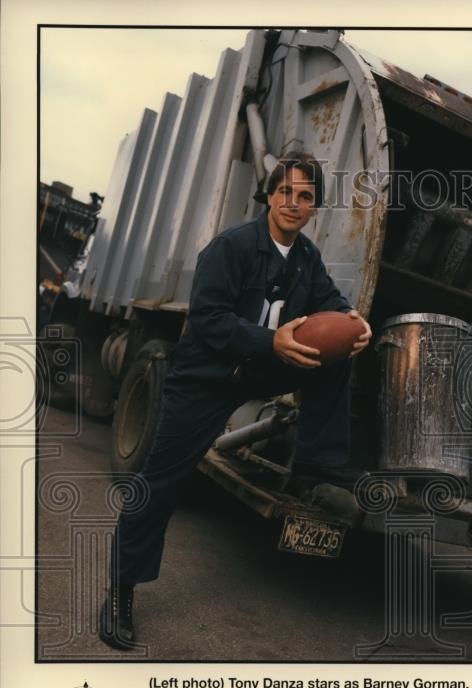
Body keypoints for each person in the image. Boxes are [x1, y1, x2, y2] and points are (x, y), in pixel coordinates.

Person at [100, 152, 372, 649]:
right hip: (206, 376)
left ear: (315, 208)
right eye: (286, 191)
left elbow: (331, 303)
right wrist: (270, 341)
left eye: (306, 197)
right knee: (160, 481)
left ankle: (314, 470)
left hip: (261, 369)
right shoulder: (231, 247)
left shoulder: (307, 258)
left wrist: (355, 322)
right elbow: (207, 320)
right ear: (269, 196)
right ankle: (120, 590)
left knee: (342, 351)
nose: (294, 203)